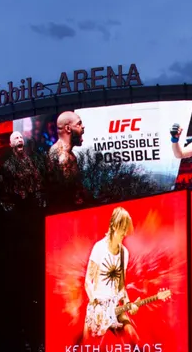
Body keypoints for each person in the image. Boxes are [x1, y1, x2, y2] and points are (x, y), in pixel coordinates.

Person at [84, 207, 138, 340]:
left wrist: (129, 304)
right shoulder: (99, 248)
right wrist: (95, 305)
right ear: (114, 226)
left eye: (126, 228)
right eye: (122, 227)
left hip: (114, 308)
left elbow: (121, 287)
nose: (125, 232)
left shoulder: (124, 253)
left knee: (133, 337)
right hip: (97, 308)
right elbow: (87, 282)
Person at [49, 111, 84, 177]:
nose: (83, 126)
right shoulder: (62, 155)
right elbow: (66, 186)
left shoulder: (68, 153)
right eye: (79, 124)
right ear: (68, 128)